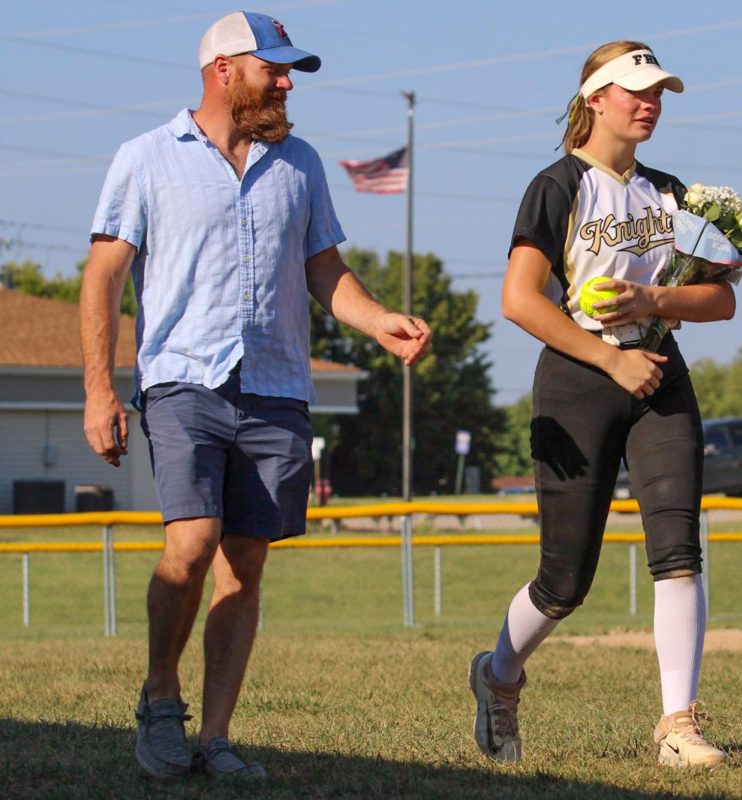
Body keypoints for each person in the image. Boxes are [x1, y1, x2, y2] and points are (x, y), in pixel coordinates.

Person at [80, 12, 431, 780]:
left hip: (276, 387)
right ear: (222, 70)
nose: (285, 81)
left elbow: (325, 273)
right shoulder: (146, 158)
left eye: (289, 69)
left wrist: (379, 323)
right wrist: (100, 389)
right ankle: (161, 697)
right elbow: (103, 276)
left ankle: (216, 735)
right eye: (272, 68)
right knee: (192, 543)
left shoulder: (299, 164)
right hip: (182, 379)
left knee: (245, 564)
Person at [469, 41, 735, 769]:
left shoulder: (671, 191)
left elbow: (722, 297)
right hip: (581, 377)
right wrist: (609, 358)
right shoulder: (556, 186)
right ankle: (498, 676)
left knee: (678, 549)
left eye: (658, 92)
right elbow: (519, 299)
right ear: (595, 99)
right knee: (565, 580)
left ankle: (677, 724)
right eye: (635, 91)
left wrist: (657, 299)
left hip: (659, 374)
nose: (649, 102)